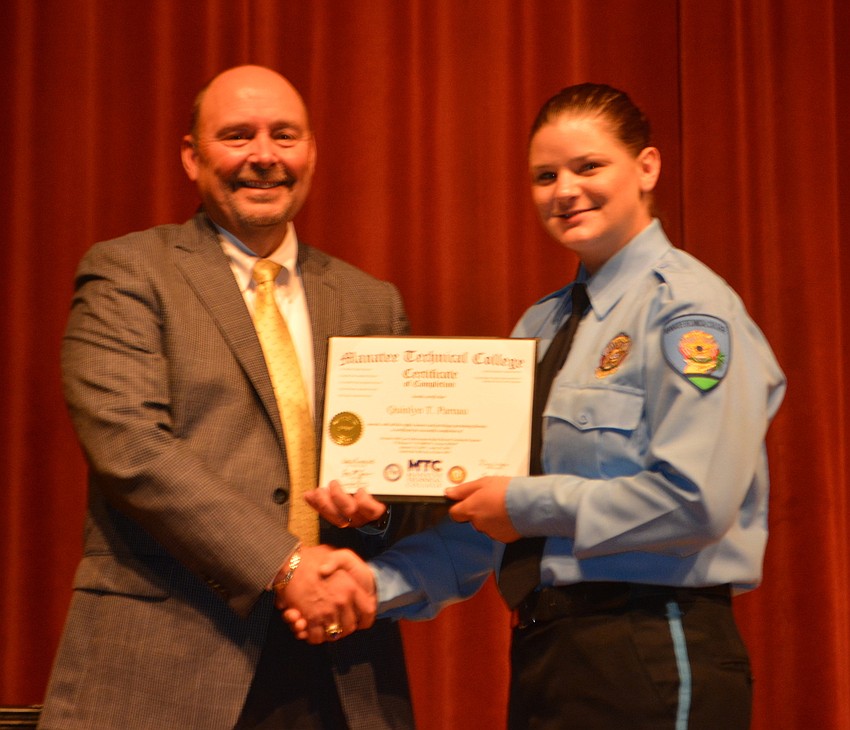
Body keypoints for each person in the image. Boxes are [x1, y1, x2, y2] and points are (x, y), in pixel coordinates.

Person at [292, 83, 787, 729]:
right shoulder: (541, 326)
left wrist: (522, 505)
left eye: (589, 167)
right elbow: (487, 520)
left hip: (653, 644)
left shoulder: (689, 313)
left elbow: (695, 501)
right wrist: (371, 585)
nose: (564, 190)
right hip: (546, 650)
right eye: (545, 175)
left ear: (646, 168)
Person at [39, 65, 424, 730]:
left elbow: (401, 490)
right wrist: (285, 562)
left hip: (337, 670)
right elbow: (130, 448)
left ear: (311, 151)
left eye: (285, 136)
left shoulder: (371, 301)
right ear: (192, 156)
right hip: (168, 666)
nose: (264, 157)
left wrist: (377, 514)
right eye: (237, 136)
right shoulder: (129, 273)